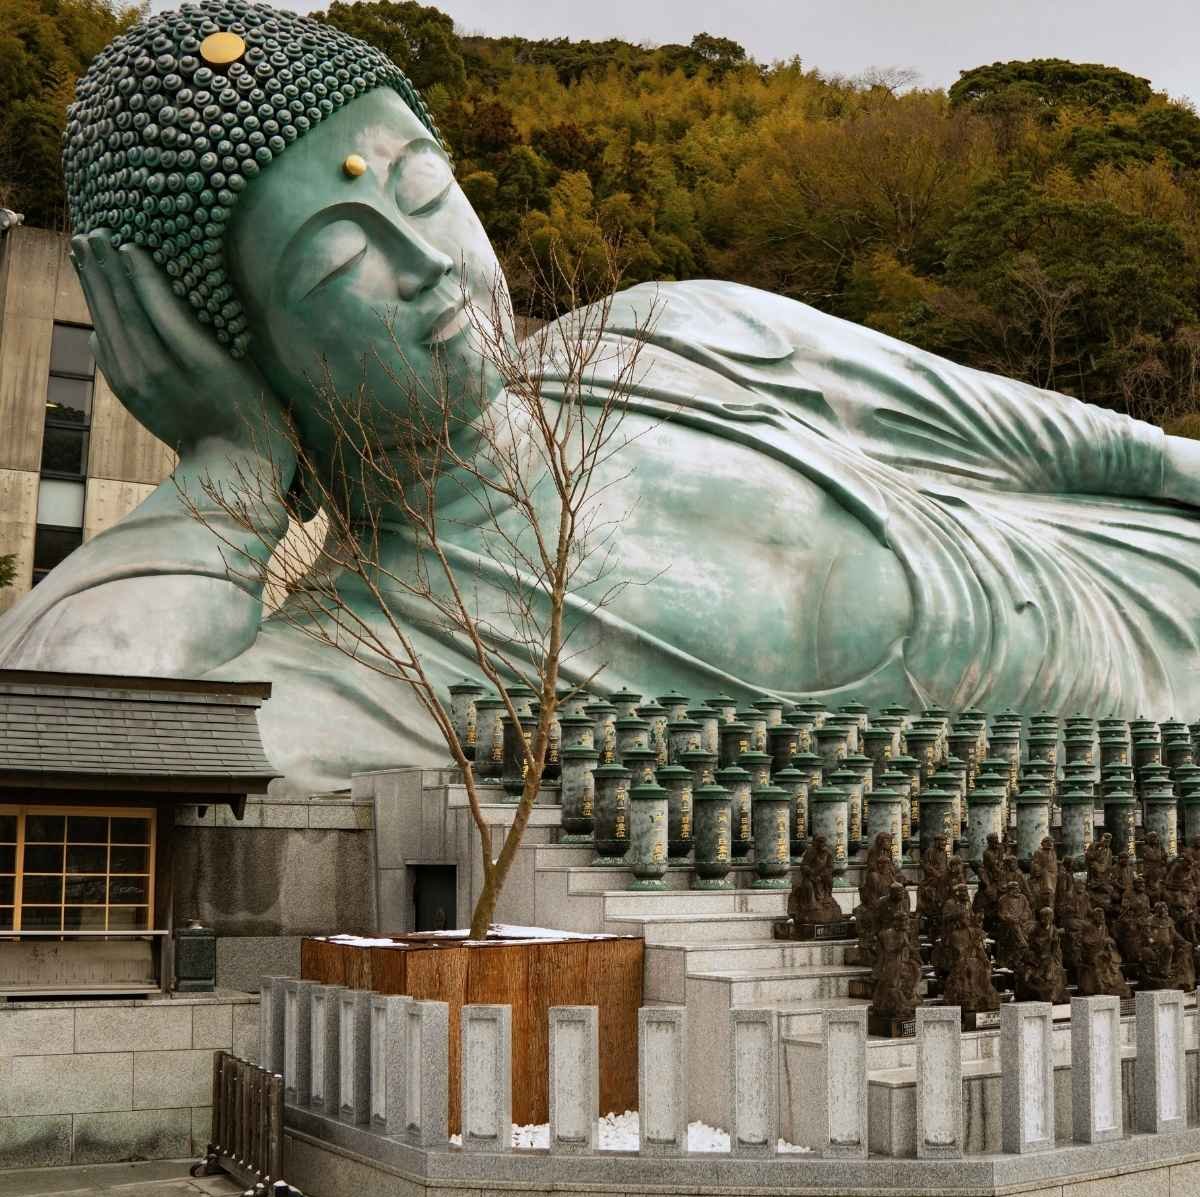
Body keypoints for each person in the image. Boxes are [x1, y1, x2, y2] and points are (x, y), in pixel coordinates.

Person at [10, 0, 1200, 796]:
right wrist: (226, 471)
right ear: (241, 354)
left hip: (1151, 571)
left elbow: (1058, 440)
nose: (422, 261)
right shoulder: (374, 659)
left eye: (424, 191)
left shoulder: (676, 335)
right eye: (335, 258)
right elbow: (64, 748)